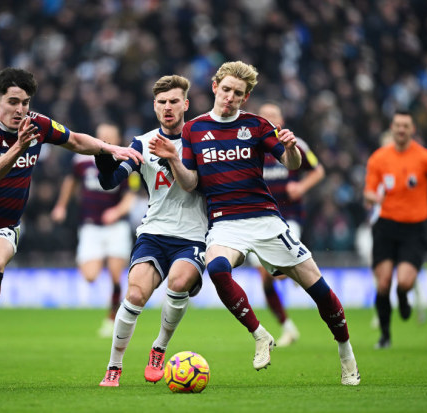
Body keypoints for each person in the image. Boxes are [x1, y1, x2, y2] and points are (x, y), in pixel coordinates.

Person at [0, 67, 142, 383]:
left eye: (26, 103)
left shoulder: (37, 124)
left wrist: (108, 148)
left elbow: (74, 140)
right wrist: (18, 146)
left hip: (2, 227)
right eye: (13, 102)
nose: (20, 110)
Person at [149, 61, 360, 386]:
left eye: (239, 93)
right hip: (224, 222)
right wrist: (174, 158)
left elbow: (291, 163)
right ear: (216, 86)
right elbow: (190, 184)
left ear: (245, 98)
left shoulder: (257, 125)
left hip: (264, 219)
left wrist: (290, 148)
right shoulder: (194, 129)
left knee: (316, 287)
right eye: (227, 89)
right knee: (217, 268)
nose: (231, 97)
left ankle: (346, 353)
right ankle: (260, 334)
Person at [97, 75, 207, 387]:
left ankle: (159, 348)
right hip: (154, 232)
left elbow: (192, 184)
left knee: (179, 281)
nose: (168, 107)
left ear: (185, 104)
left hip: (193, 233)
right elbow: (111, 181)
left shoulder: (200, 140)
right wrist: (103, 160)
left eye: (174, 101)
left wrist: (172, 156)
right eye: (162, 102)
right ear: (154, 106)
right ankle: (114, 367)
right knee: (134, 294)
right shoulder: (142, 143)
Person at [363, 110, 427, 349]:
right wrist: (377, 197)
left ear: (412, 130)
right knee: (383, 284)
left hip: (414, 229)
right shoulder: (379, 158)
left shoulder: (425, 158)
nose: (401, 130)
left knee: (403, 281)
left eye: (406, 126)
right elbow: (368, 192)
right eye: (397, 125)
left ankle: (403, 296)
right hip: (385, 227)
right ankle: (385, 336)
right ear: (392, 129)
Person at [247, 102, 325, 347]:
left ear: (281, 119)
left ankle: (294, 267)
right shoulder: (250, 145)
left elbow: (318, 170)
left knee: (277, 273)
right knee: (266, 277)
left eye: (274, 115)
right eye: (265, 115)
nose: (270, 119)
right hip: (258, 218)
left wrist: (301, 187)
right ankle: (287, 327)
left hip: (288, 217)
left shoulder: (295, 143)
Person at [51, 123, 136, 338]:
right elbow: (71, 181)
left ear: (117, 138)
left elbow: (130, 194)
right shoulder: (81, 160)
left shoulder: (124, 159)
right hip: (90, 224)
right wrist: (61, 205)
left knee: (117, 274)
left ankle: (112, 317)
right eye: (102, 136)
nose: (105, 140)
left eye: (110, 136)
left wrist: (116, 212)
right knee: (90, 276)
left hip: (116, 226)